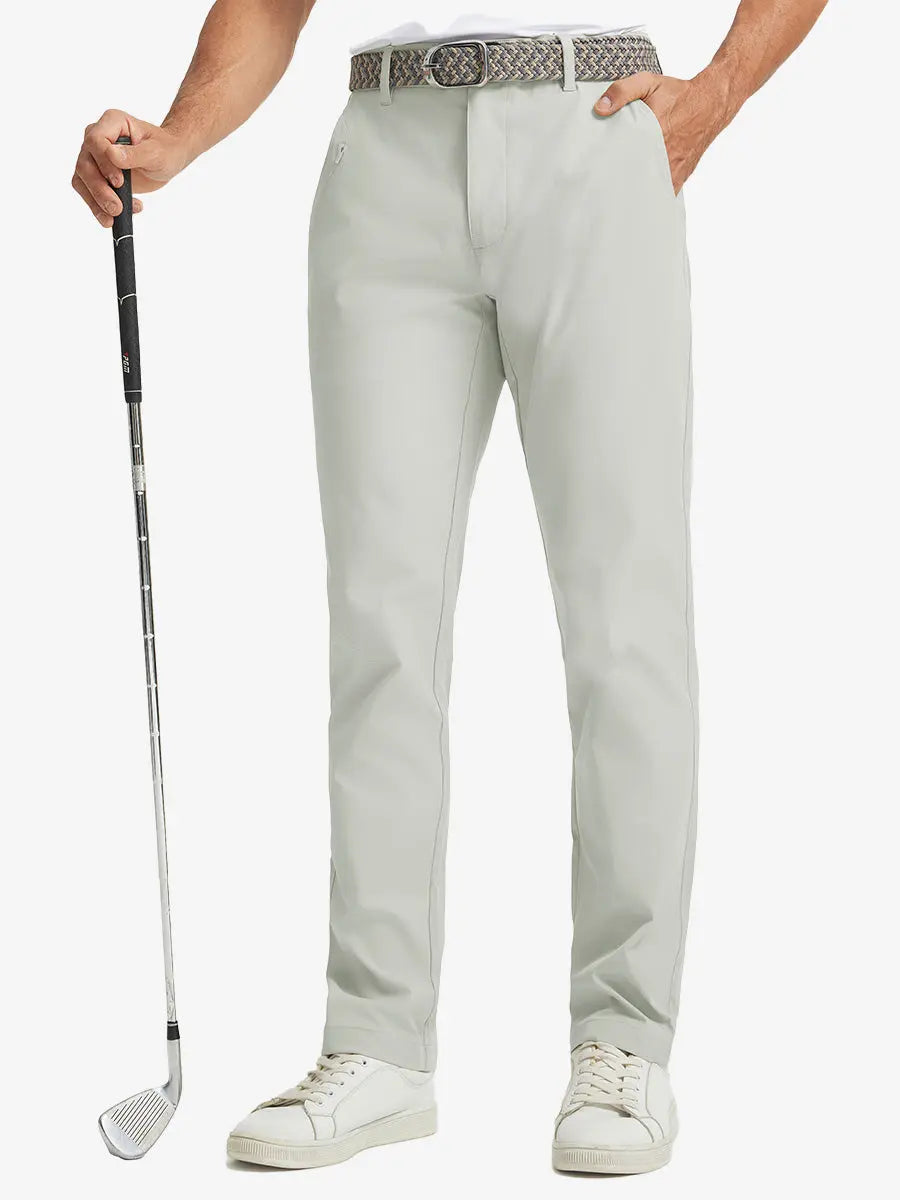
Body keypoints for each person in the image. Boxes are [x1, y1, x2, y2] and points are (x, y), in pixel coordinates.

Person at [74, 1, 829, 1176]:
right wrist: (178, 134)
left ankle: (623, 1040)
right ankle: (378, 1044)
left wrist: (722, 88)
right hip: (387, 155)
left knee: (625, 620)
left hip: (596, 125)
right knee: (381, 626)